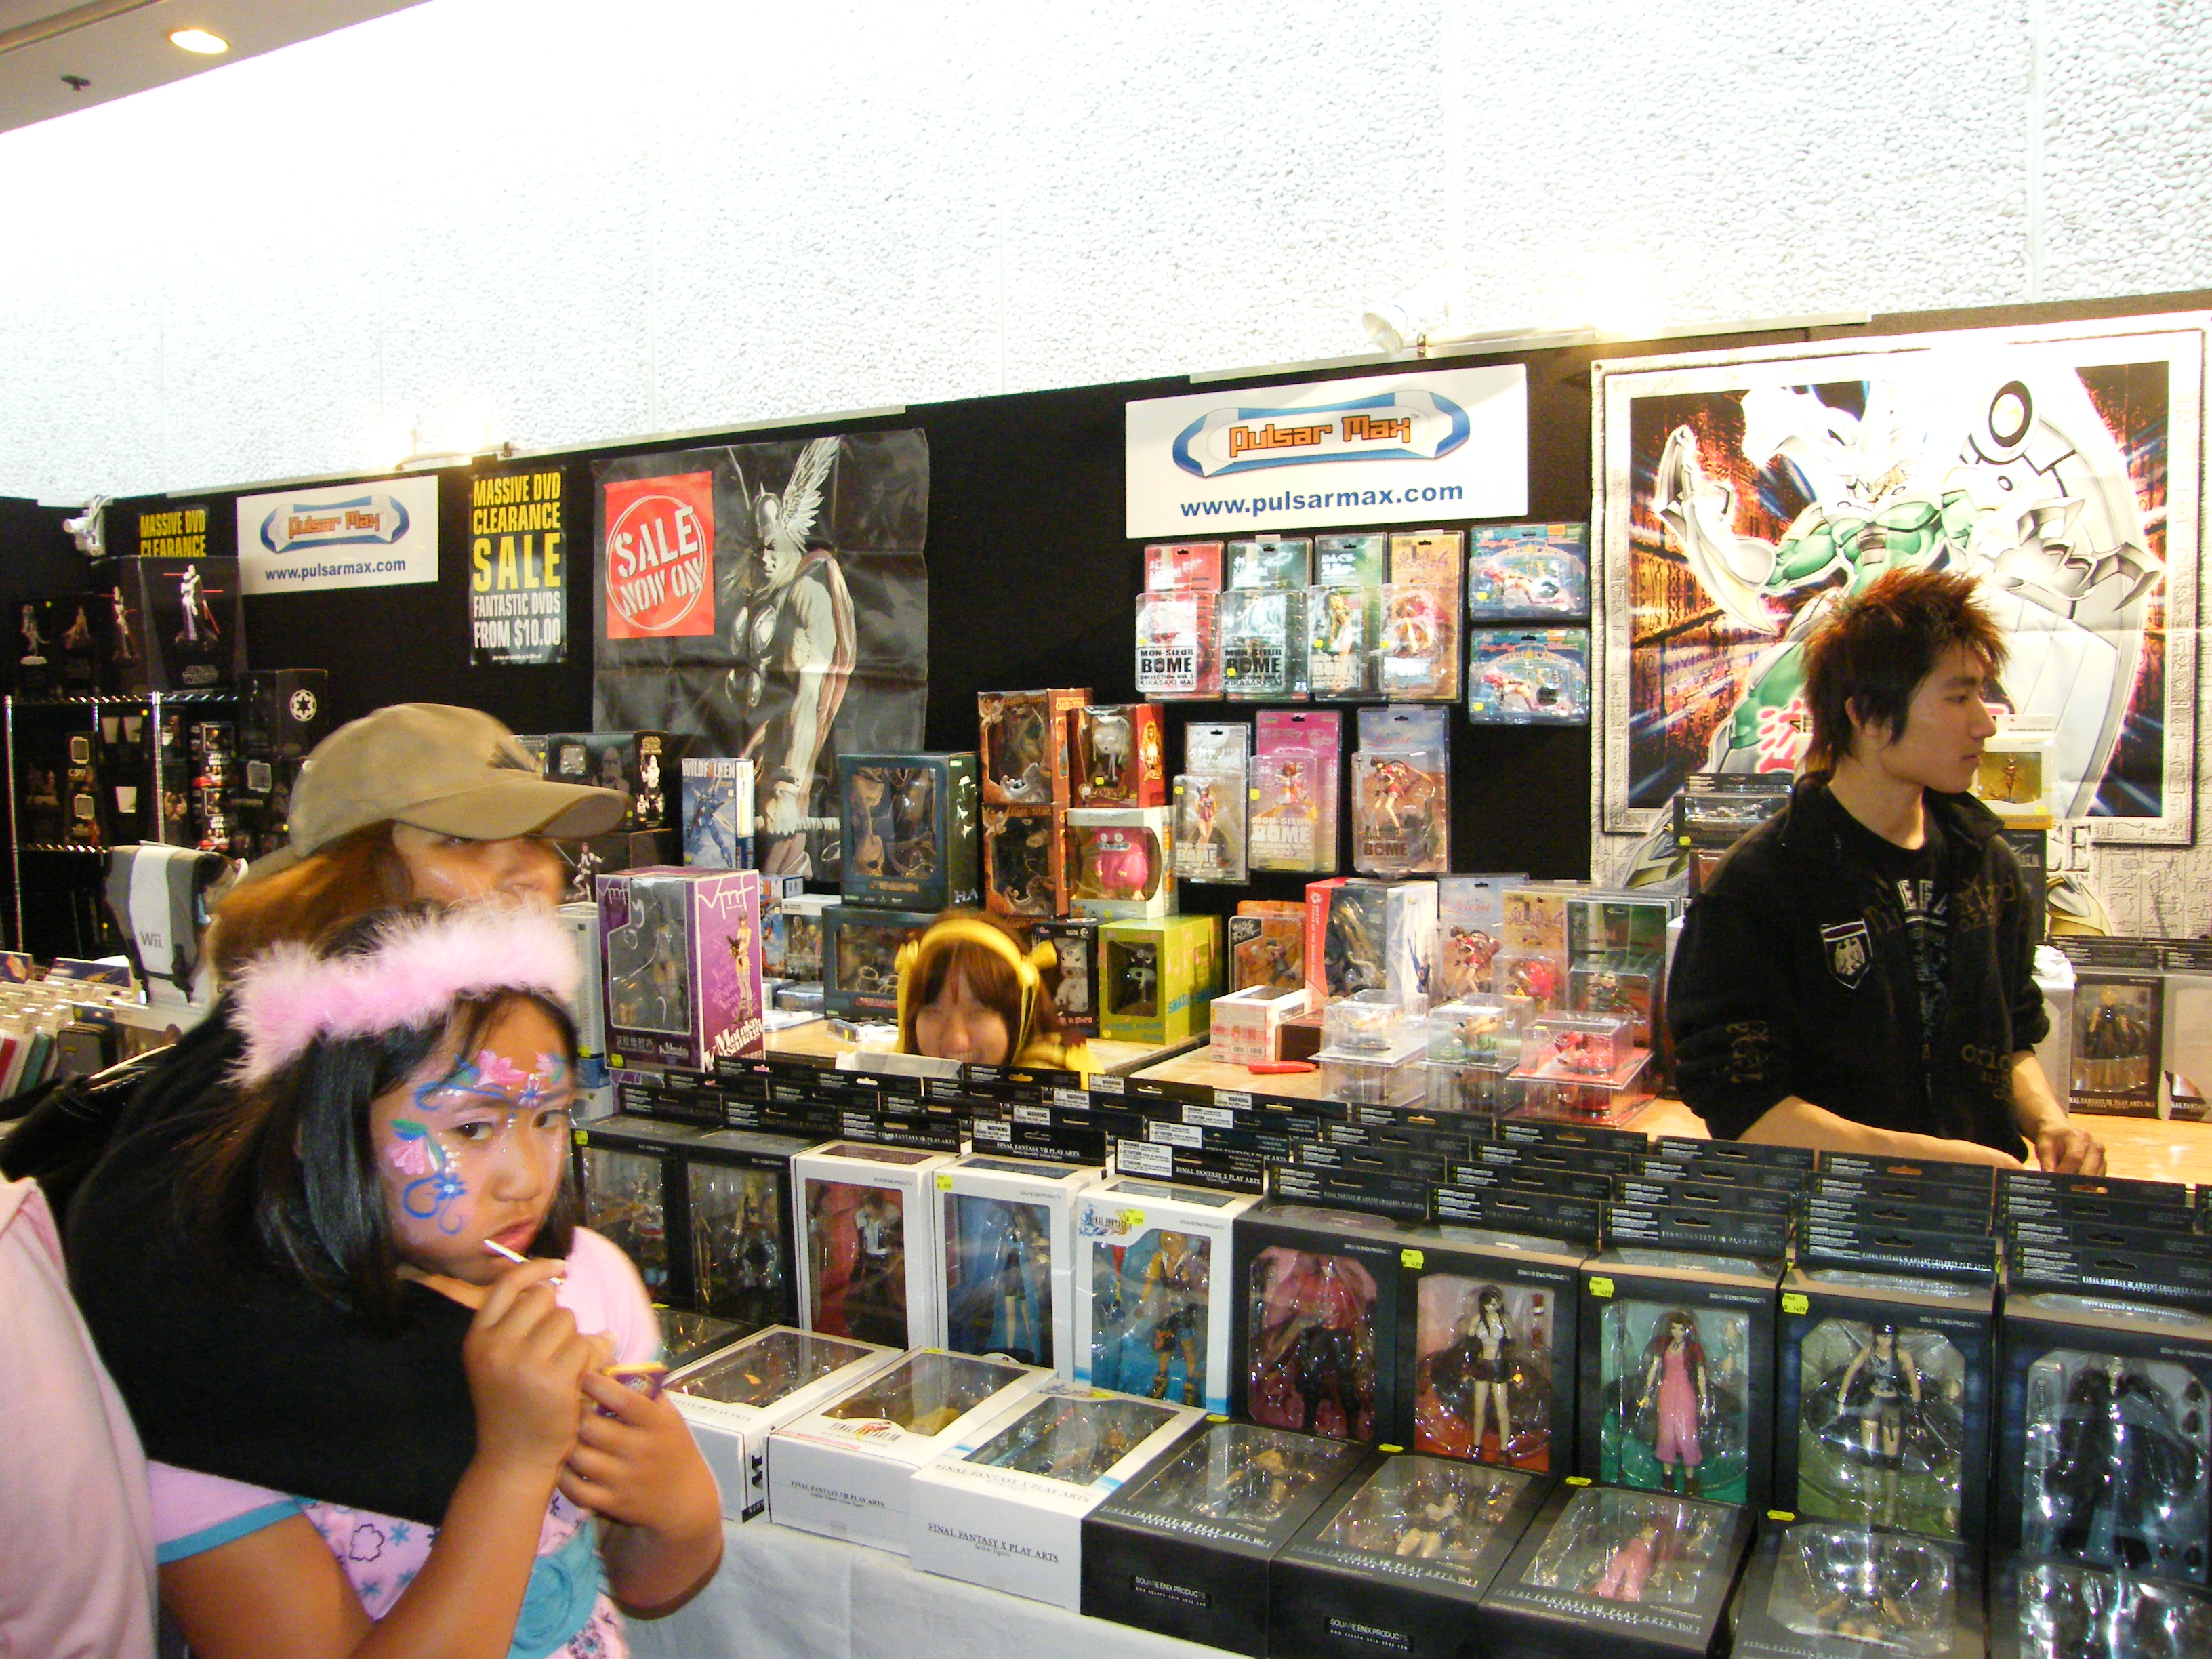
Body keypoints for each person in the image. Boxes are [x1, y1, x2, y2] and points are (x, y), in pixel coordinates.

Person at [46, 703, 627, 1538]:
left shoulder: (382, 1064)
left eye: (536, 839)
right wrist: (524, 1405)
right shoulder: (246, 1096)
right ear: (348, 880)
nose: (532, 873)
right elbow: (205, 1355)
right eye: (463, 842)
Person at [150, 903, 720, 1656]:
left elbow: (646, 1584)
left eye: (549, 1118)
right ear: (319, 1128)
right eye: (472, 1128)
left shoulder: (585, 1283)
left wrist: (682, 1510)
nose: (526, 1178)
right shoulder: (217, 1392)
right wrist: (513, 1467)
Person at [1668, 568, 2104, 1174]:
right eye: (1958, 697)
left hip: (1982, 1203)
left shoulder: (1987, 863)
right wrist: (1931, 1163)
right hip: (1829, 1213)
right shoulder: (1762, 884)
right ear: (1868, 715)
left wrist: (2051, 1124)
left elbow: (2012, 1038)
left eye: (1981, 694)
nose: (1985, 723)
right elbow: (1742, 1106)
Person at [893, 910, 1092, 1073]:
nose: (957, 1041)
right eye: (933, 1012)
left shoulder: (1060, 1085)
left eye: (978, 1013)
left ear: (1020, 1015)